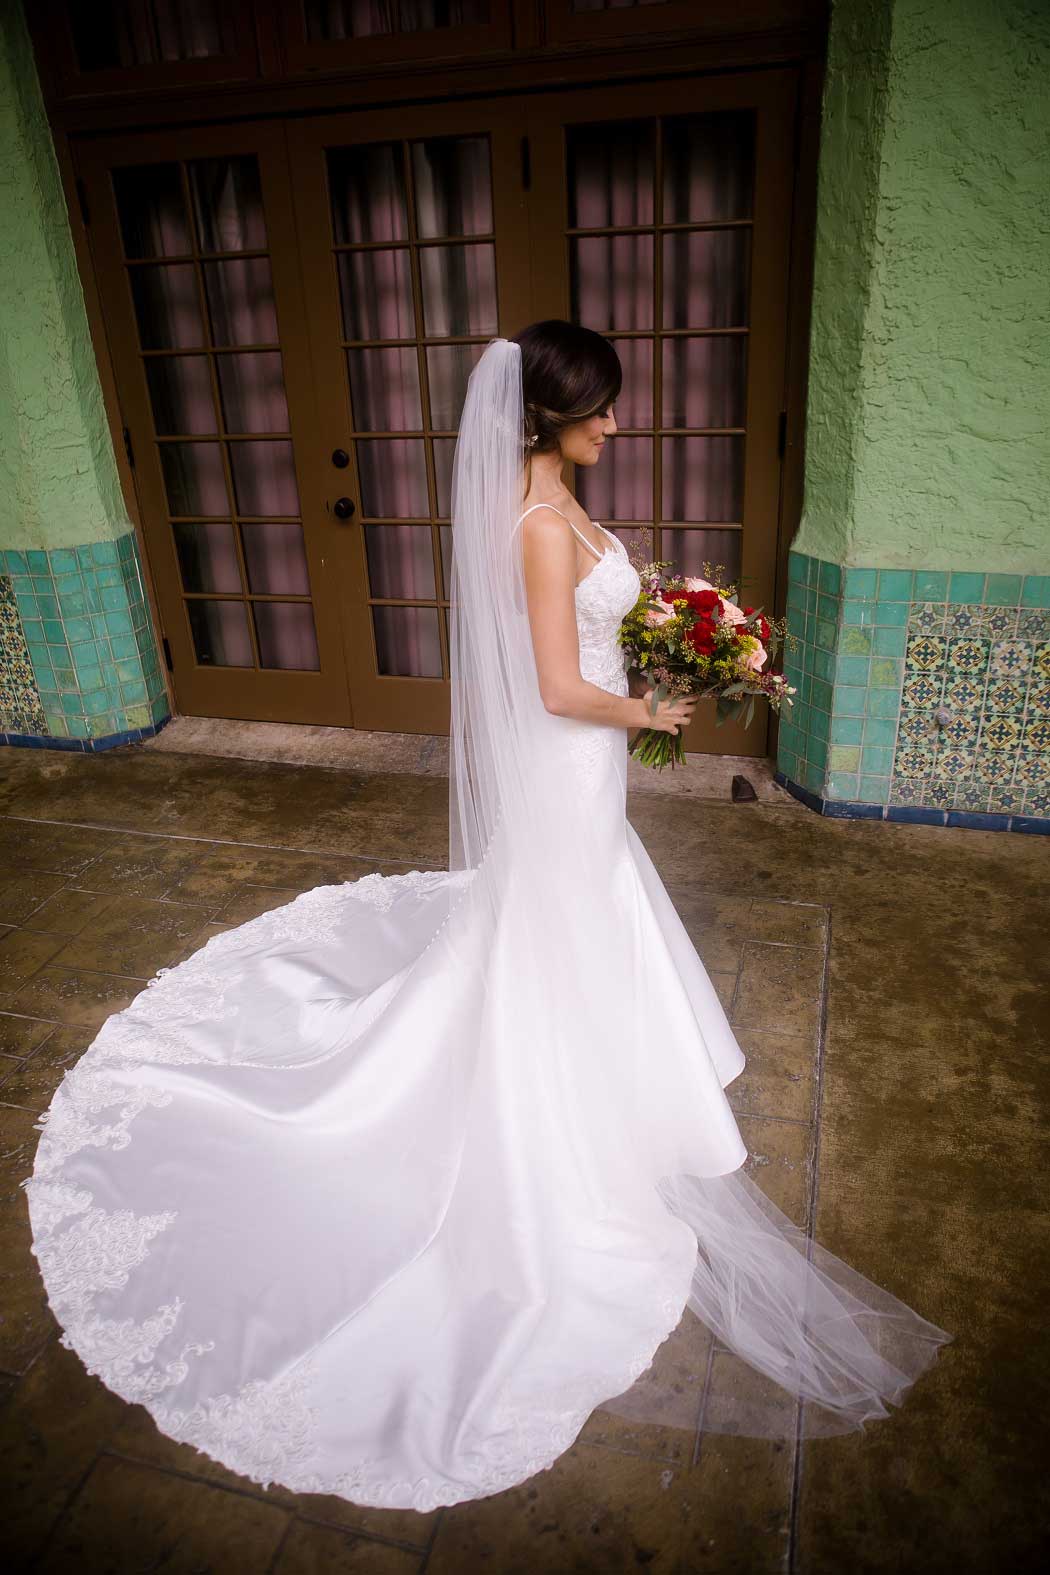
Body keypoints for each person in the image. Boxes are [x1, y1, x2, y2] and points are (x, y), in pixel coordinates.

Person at [22, 323, 951, 1514]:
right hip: (568, 761)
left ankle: (587, 1066)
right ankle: (548, 1110)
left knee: (579, 916)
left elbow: (596, 644)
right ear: (545, 417)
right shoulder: (533, 527)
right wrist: (661, 713)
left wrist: (676, 652)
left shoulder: (563, 513)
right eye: (599, 411)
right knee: (560, 914)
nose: (616, 427)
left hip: (585, 767)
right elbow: (562, 687)